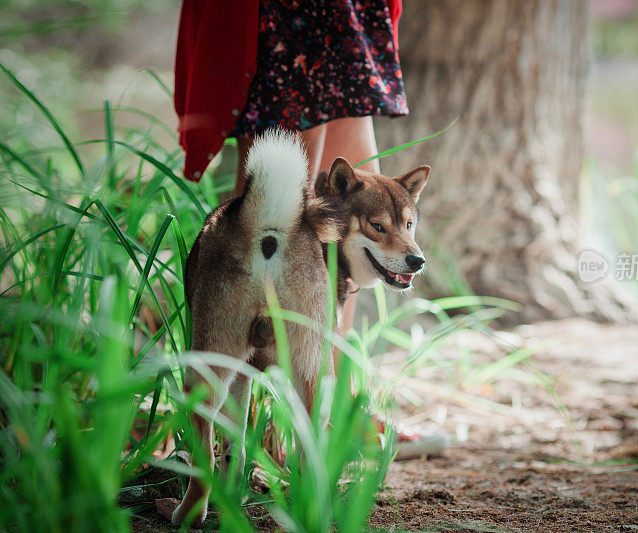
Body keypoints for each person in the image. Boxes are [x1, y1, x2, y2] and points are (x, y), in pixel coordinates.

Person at [174, 0, 448, 459]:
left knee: (357, 205)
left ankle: (331, 413)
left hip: (350, 9)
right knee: (276, 205)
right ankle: (258, 427)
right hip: (288, 11)